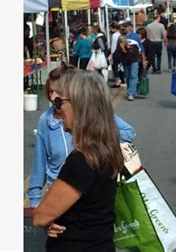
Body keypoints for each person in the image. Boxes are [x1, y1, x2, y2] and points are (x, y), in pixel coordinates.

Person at [33, 71, 125, 252]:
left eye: (61, 102)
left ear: (80, 106)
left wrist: (48, 219)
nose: (58, 109)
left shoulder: (82, 161)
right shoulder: (106, 149)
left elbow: (40, 217)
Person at [27, 64, 137, 209]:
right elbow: (39, 164)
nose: (53, 97)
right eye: (50, 91)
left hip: (90, 193)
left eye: (58, 92)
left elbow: (129, 133)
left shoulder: (91, 114)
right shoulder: (46, 120)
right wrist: (34, 203)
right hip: (59, 194)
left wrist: (96, 129)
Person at [119, 22, 145, 101]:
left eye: (126, 27)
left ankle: (130, 93)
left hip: (134, 59)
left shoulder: (135, 36)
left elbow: (141, 48)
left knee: (133, 75)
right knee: (127, 76)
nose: (125, 28)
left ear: (130, 27)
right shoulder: (122, 36)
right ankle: (131, 91)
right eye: (124, 27)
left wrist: (143, 59)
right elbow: (118, 48)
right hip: (125, 59)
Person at [109, 21, 126, 88]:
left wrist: (111, 55)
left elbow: (113, 46)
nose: (110, 30)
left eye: (110, 28)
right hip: (121, 53)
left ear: (114, 28)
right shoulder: (121, 34)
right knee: (121, 67)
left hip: (116, 53)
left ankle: (117, 82)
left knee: (115, 67)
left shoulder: (114, 35)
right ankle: (122, 81)